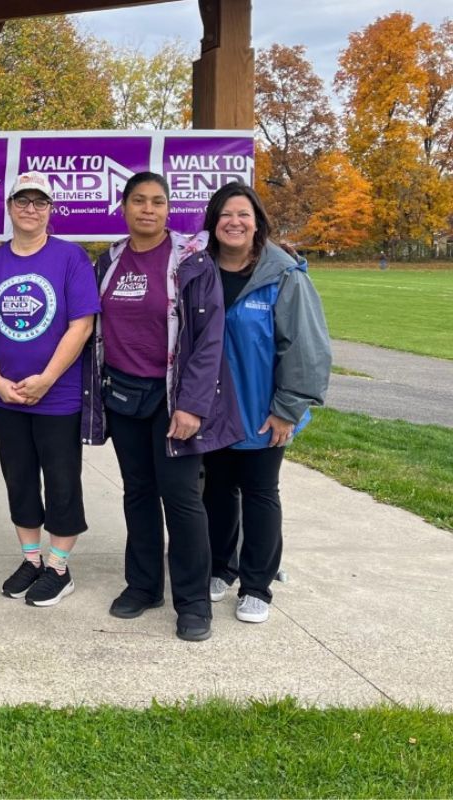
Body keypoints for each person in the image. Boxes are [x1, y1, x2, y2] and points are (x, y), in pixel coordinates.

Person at [81, 171, 242, 642]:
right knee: (137, 493)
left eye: (156, 202)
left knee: (183, 499)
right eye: (138, 201)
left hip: (174, 401)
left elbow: (210, 341)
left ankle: (192, 603)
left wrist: (192, 406)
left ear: (169, 209)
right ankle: (144, 585)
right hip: (125, 396)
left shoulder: (193, 262)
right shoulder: (108, 261)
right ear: (124, 207)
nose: (147, 209)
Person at [201, 182, 331, 624]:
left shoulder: (284, 274)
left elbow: (306, 349)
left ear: (257, 222)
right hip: (211, 410)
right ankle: (221, 566)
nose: (234, 222)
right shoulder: (198, 270)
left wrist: (287, 408)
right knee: (216, 491)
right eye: (225, 215)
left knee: (259, 492)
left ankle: (257, 584)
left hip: (263, 410)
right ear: (213, 223)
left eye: (243, 214)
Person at [0, 173, 99, 607]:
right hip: (6, 395)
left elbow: (82, 325)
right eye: (23, 201)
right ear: (9, 206)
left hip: (57, 395)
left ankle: (60, 567)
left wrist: (47, 378)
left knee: (62, 481)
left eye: (40, 202)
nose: (31, 209)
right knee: (19, 478)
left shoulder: (70, 258)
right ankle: (32, 559)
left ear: (51, 209)